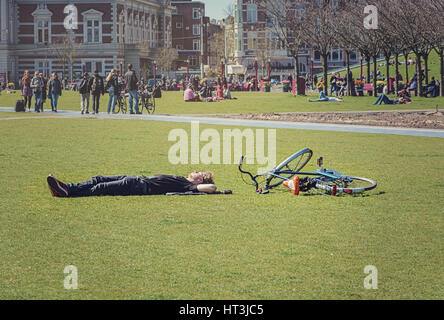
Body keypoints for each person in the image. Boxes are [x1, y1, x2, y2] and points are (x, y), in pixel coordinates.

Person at [46, 171, 217, 198]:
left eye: (199, 172)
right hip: (136, 179)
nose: (195, 170)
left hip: (139, 185)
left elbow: (211, 188)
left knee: (100, 189)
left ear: (199, 180)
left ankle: (67, 193)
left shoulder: (189, 186)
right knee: (98, 179)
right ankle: (67, 187)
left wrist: (213, 188)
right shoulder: (183, 180)